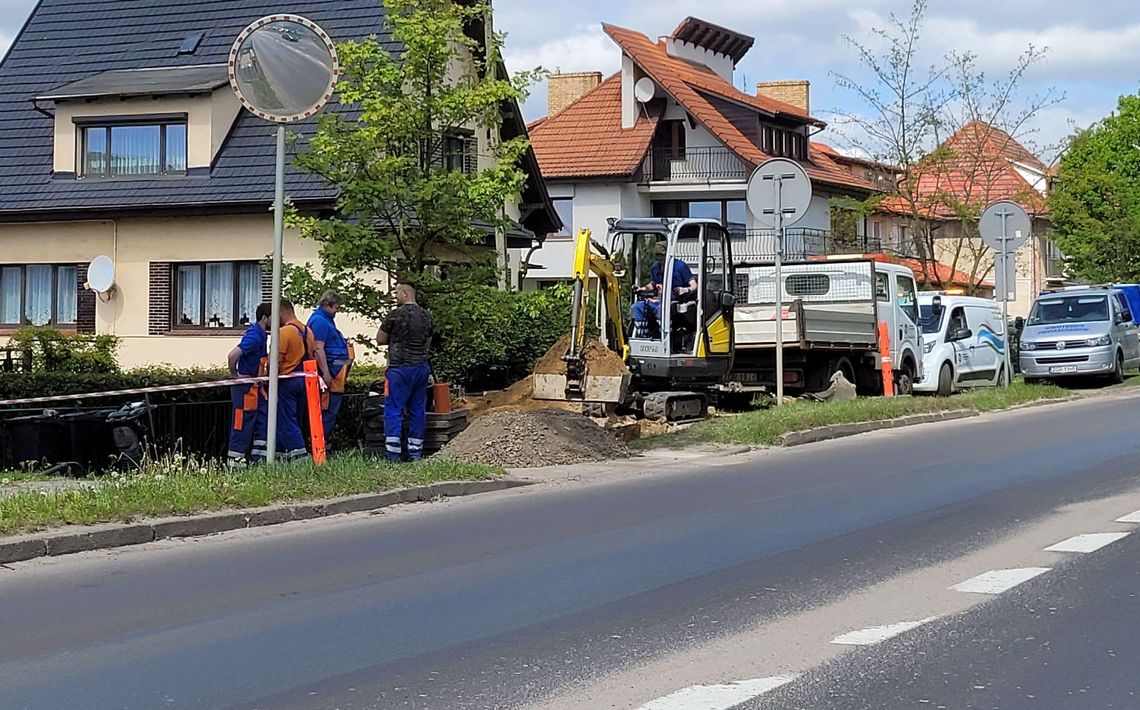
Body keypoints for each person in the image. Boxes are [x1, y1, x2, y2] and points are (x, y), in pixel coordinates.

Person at [377, 283, 433, 461]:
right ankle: (415, 452)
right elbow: (428, 342)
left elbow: (380, 339)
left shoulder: (395, 314)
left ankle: (393, 454)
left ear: (406, 293)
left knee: (393, 409)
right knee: (418, 410)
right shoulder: (426, 316)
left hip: (399, 369)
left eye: (397, 293)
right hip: (421, 368)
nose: (396, 296)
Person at [227, 302, 272, 465]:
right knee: (241, 424)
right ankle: (236, 464)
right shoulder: (254, 336)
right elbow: (232, 355)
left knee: (262, 420)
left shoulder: (261, 335)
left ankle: (258, 460)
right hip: (246, 389)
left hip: (255, 388)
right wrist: (235, 376)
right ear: (265, 318)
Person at [307, 291, 355, 445]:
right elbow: (318, 349)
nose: (337, 311)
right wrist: (326, 374)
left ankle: (321, 443)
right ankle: (319, 444)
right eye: (336, 307)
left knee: (330, 410)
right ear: (328, 305)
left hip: (335, 373)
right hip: (331, 376)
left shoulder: (324, 320)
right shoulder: (320, 321)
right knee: (327, 410)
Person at [276, 300, 315, 461]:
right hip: (305, 379)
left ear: (282, 311)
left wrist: (268, 378)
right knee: (297, 418)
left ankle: (299, 455)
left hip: (287, 381)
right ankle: (282, 454)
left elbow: (276, 361)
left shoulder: (284, 332)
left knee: (287, 419)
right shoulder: (308, 331)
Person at [631, 241, 698, 337]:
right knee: (637, 307)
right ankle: (642, 336)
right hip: (658, 299)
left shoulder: (680, 266)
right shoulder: (655, 266)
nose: (659, 258)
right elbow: (653, 284)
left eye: (661, 255)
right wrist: (643, 288)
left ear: (668, 253)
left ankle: (665, 337)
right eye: (657, 255)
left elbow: (694, 285)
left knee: (661, 310)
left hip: (674, 299)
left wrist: (685, 290)